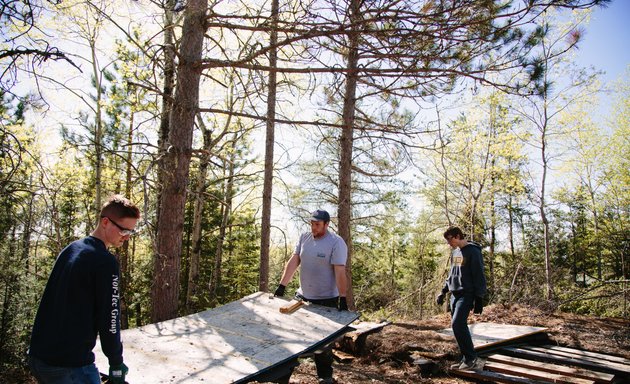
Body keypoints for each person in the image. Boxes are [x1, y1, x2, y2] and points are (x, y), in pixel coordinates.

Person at [28, 195, 140, 384]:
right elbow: (110, 318)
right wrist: (116, 363)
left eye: (131, 231)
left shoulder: (72, 249)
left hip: (39, 358)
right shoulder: (105, 262)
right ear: (105, 222)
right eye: (123, 230)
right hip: (68, 365)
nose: (127, 236)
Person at [273, 209, 349, 384]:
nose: (314, 227)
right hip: (302, 298)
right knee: (290, 338)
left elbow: (340, 272)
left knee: (322, 345)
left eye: (317, 224)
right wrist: (282, 285)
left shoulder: (336, 243)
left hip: (326, 301)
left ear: (326, 224)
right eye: (312, 224)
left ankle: (325, 378)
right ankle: (283, 377)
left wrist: (343, 298)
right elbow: (294, 262)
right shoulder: (304, 237)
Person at [436, 226, 487, 371]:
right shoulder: (456, 252)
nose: (448, 243)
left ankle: (471, 358)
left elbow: (479, 274)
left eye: (450, 239)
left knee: (458, 323)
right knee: (456, 327)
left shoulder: (473, 251)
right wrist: (443, 291)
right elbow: (453, 273)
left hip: (467, 294)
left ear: (458, 236)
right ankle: (466, 358)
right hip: (455, 295)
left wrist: (479, 297)